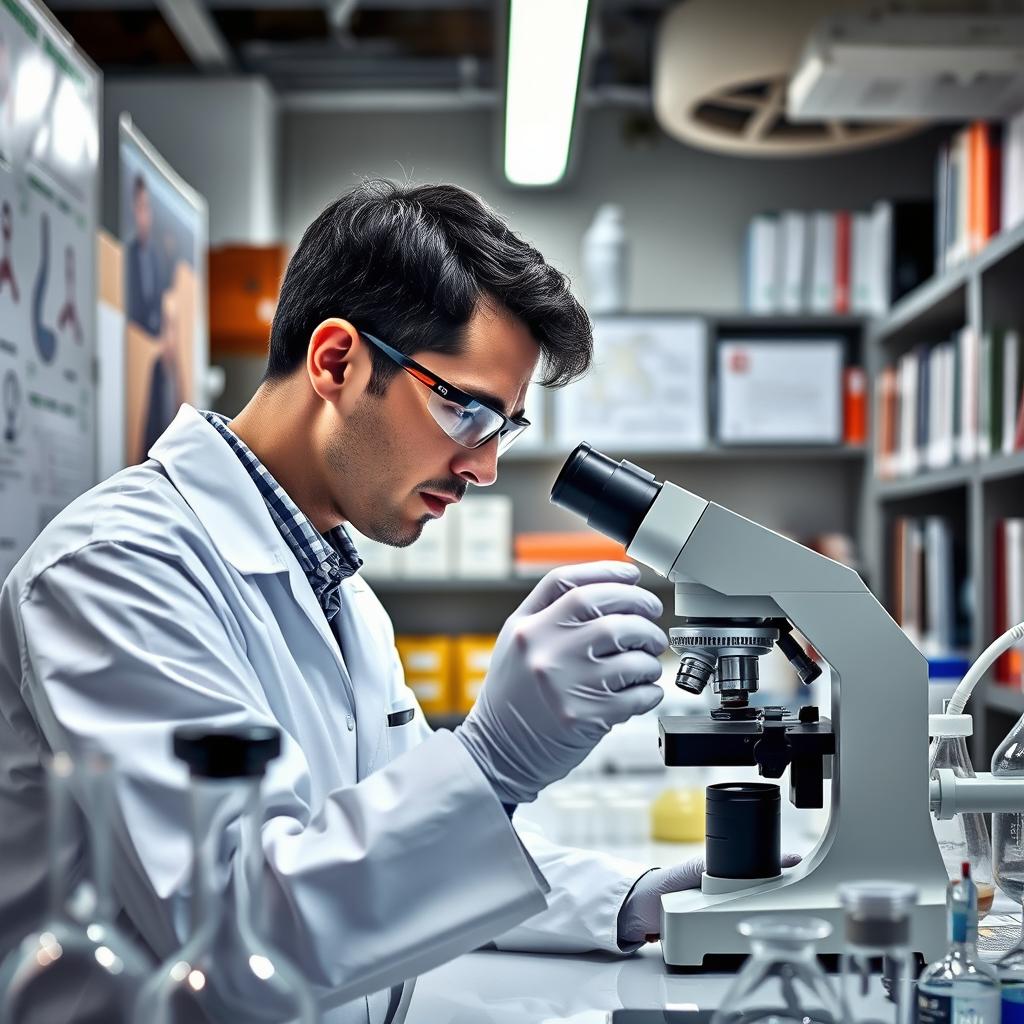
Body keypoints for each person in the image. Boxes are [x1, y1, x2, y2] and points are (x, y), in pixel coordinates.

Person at [0, 180, 714, 1023]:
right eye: (468, 411)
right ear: (337, 360)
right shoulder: (116, 569)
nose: (484, 467)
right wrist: (491, 764)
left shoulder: (339, 588)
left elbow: (380, 849)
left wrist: (628, 901)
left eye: (504, 427)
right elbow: (234, 936)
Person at [126, 173, 164, 337]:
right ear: (134, 210)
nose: (144, 216)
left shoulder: (159, 259)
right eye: (140, 208)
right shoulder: (127, 255)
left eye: (147, 208)